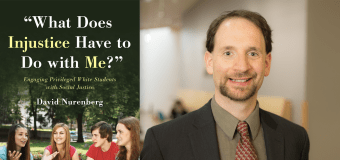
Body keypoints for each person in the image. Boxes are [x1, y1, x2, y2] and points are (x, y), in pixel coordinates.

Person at [141, 10, 310, 160]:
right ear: (209, 62)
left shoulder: (295, 138)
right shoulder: (163, 141)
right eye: (228, 53)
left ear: (267, 63)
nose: (242, 66)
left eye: (252, 53)